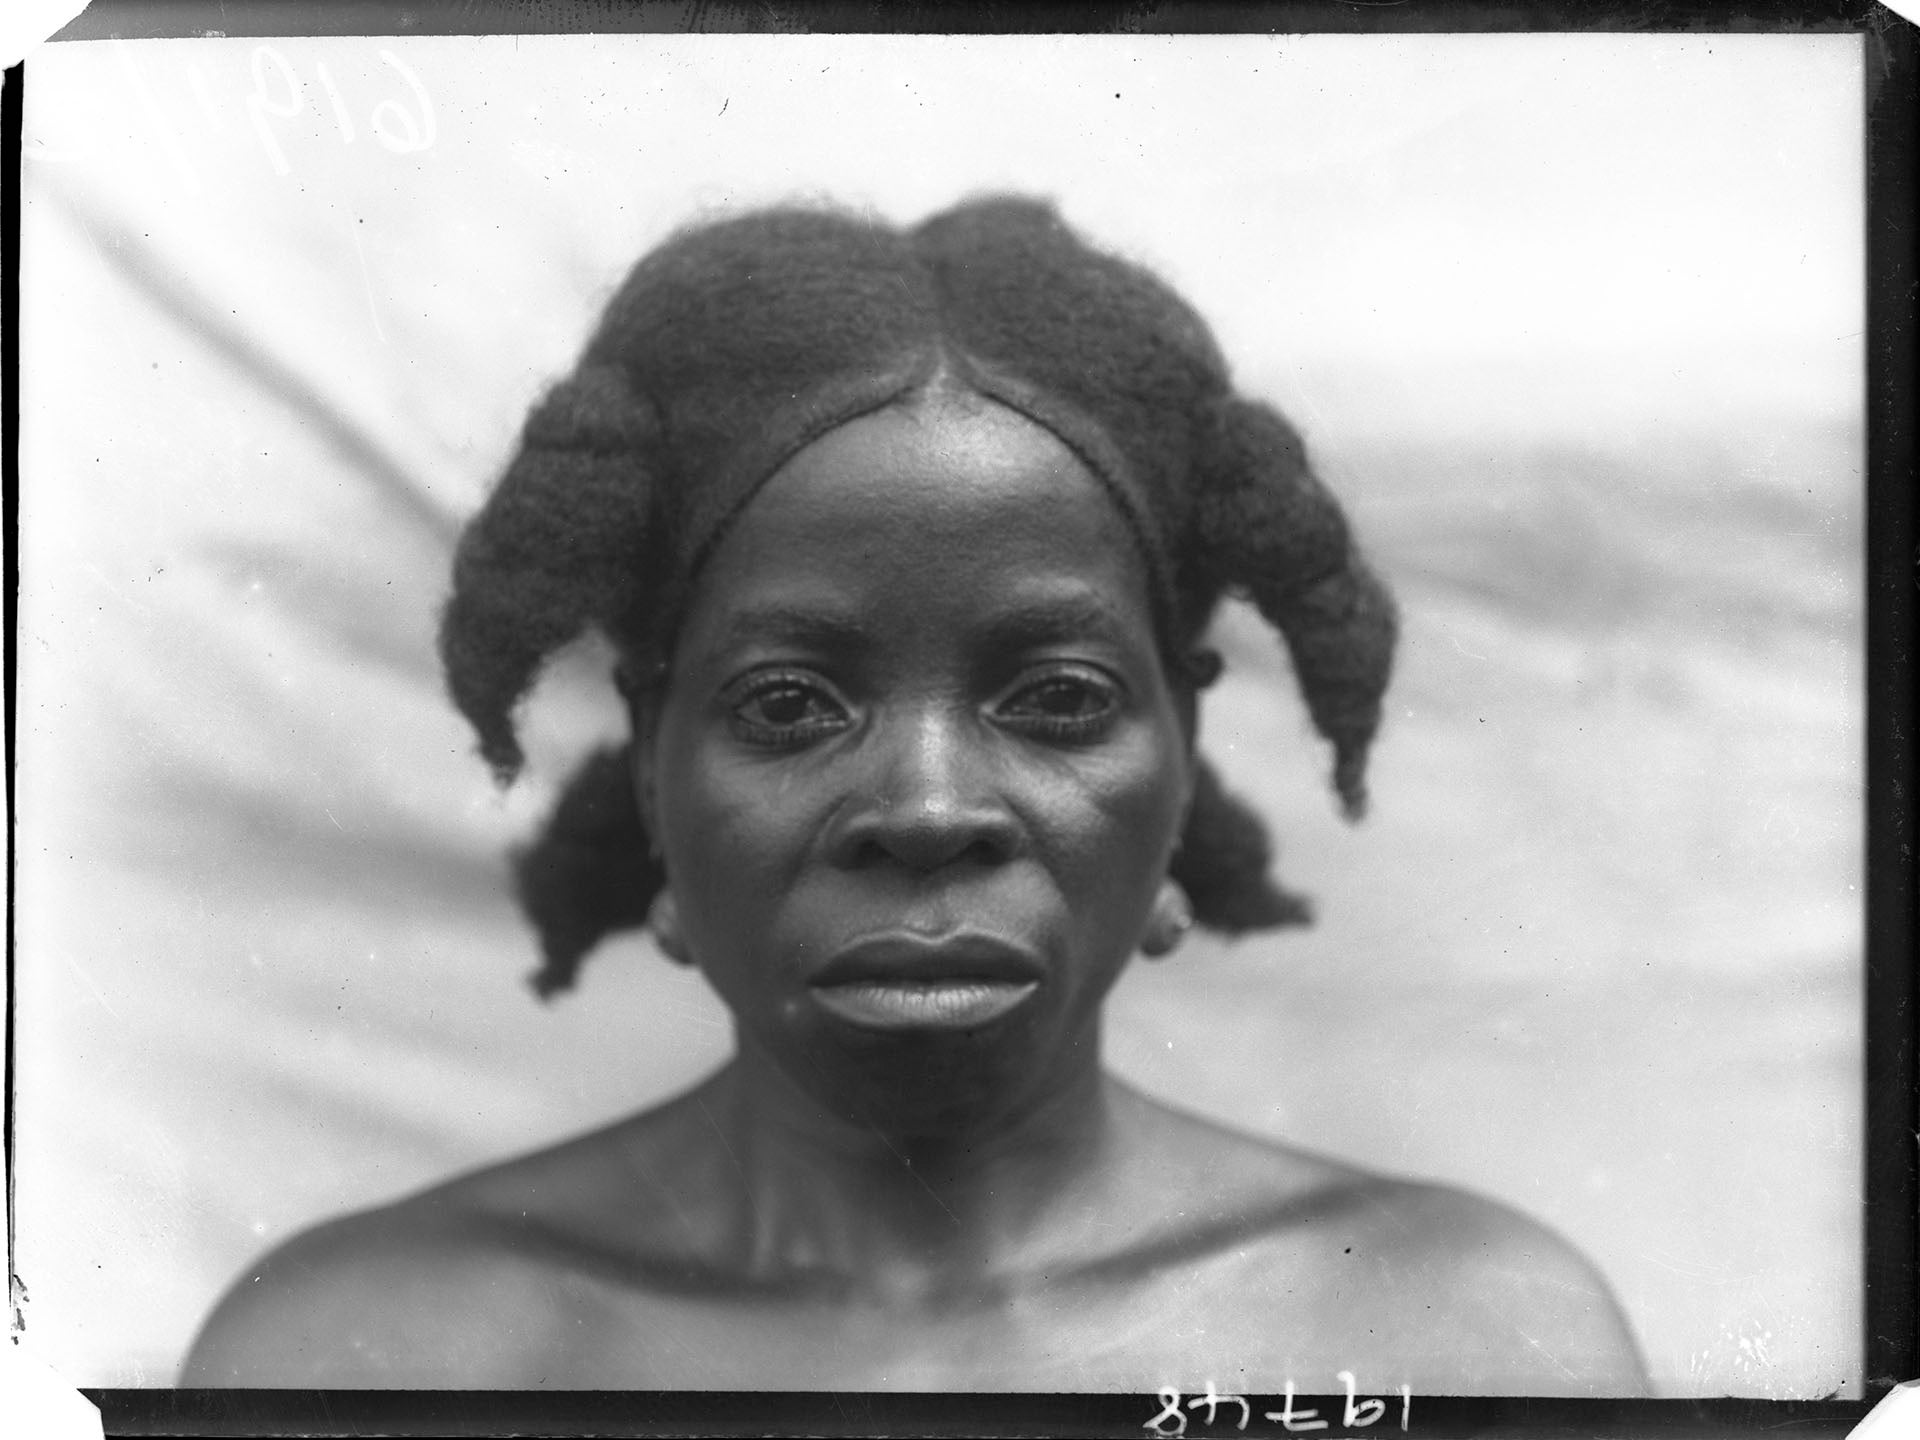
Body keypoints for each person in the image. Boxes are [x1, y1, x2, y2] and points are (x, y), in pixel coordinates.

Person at [181, 197, 1645, 1393]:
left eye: (1059, 700)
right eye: (788, 706)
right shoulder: (356, 1359)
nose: (932, 807)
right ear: (653, 757)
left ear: (1183, 749)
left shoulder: (1470, 1346)